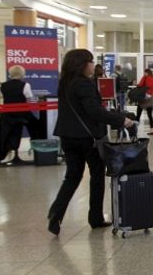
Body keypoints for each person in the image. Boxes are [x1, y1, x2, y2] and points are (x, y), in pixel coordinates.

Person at [47, 49, 135, 235]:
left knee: (72, 176)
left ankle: (56, 213)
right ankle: (95, 217)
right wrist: (121, 120)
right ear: (82, 64)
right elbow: (94, 111)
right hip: (87, 139)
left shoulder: (65, 83)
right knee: (97, 175)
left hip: (67, 137)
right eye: (90, 62)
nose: (93, 66)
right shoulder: (83, 84)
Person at [0, 65, 37, 164]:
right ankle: (39, 150)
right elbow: (29, 99)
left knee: (5, 132)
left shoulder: (3, 85)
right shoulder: (25, 85)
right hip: (22, 114)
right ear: (22, 74)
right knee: (37, 126)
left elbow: (2, 98)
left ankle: (1, 155)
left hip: (7, 114)